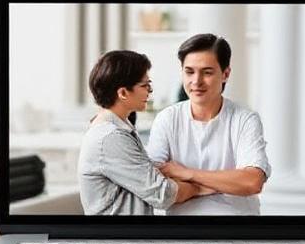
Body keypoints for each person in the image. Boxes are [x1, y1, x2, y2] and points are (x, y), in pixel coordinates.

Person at [146, 34, 271, 215]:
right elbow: (156, 186)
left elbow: (252, 182)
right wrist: (214, 185)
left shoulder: (245, 119)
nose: (196, 81)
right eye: (189, 72)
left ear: (225, 74)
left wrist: (186, 173)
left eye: (207, 72)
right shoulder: (167, 119)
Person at [78, 50, 210, 215]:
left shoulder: (119, 129)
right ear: (123, 93)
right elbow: (163, 194)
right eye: (144, 85)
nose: (150, 91)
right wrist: (200, 188)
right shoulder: (111, 138)